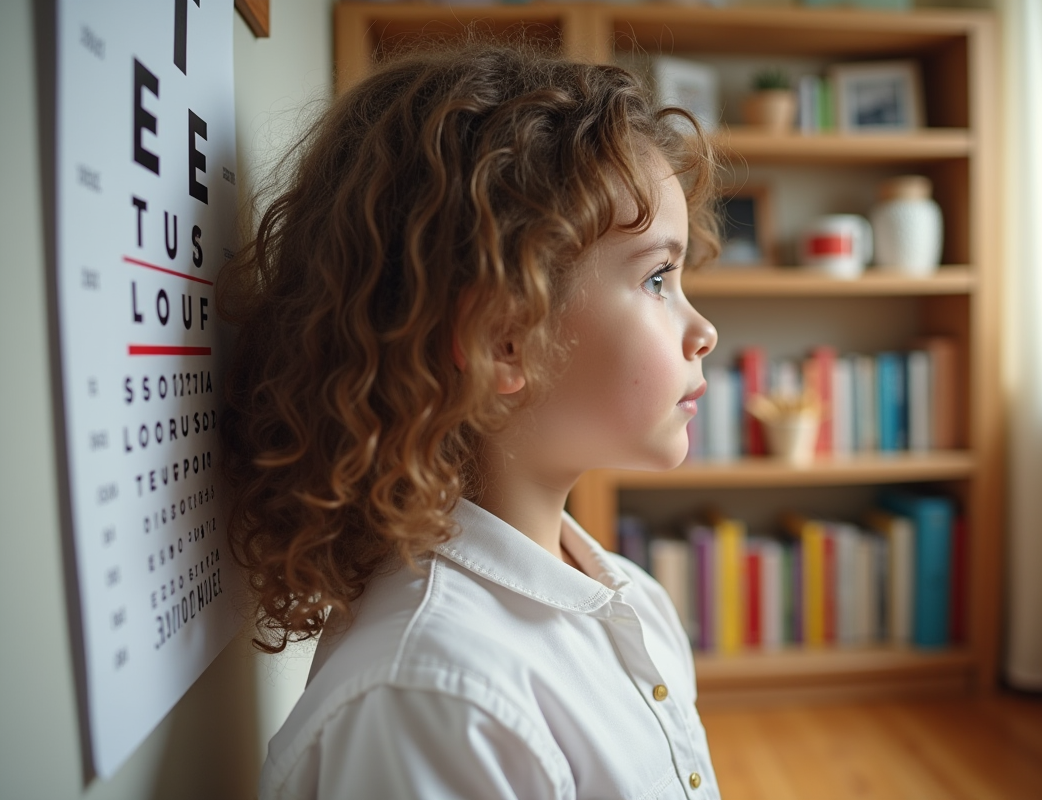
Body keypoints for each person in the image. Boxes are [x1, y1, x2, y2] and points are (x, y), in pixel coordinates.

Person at [220, 39, 721, 799]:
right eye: (657, 277)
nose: (704, 330)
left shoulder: (631, 599)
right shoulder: (433, 701)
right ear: (501, 339)